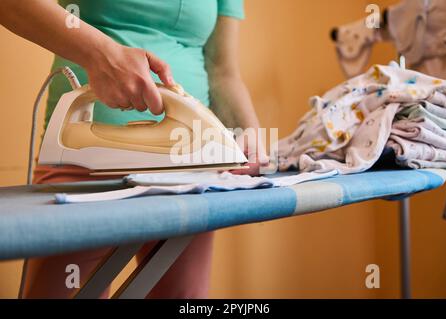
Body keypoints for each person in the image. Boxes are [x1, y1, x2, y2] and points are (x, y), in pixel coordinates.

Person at [0, 0, 268, 298]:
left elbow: (222, 70)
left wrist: (247, 133)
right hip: (85, 166)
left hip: (189, 176)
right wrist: (101, 54)